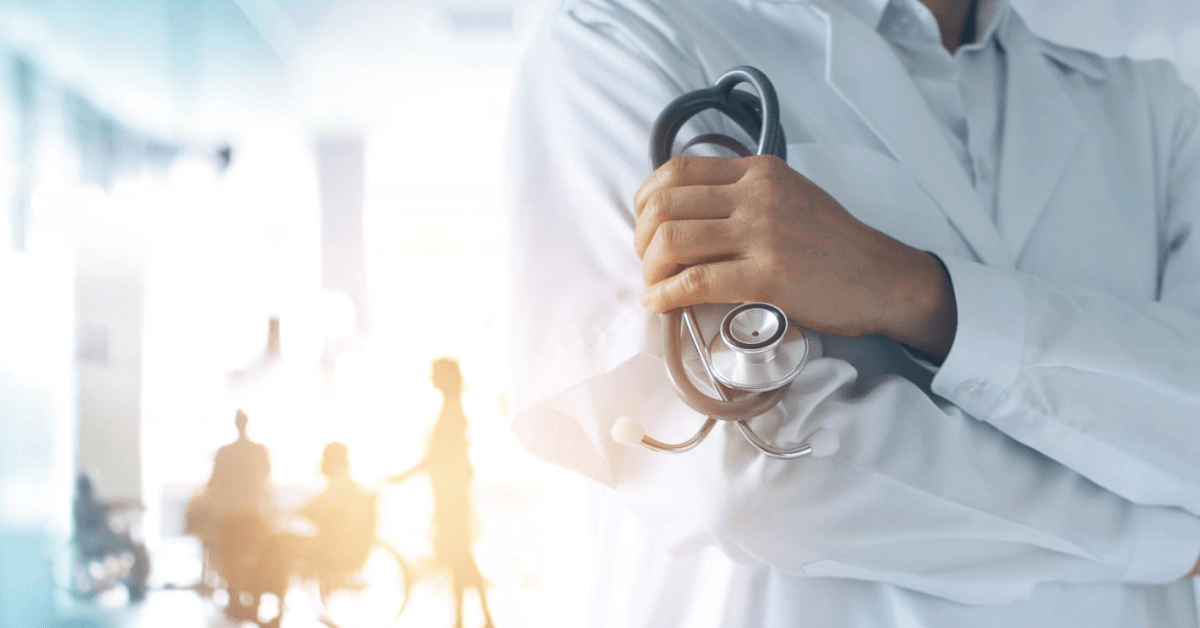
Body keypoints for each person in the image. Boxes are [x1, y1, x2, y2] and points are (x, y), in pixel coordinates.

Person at [504, 0, 1200, 626]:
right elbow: (745, 480)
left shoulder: (1157, 109)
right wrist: (1172, 536)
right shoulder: (621, 37)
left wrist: (916, 292)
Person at [390, 358, 494, 628]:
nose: (430, 378)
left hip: (451, 498)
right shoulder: (453, 409)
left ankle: (481, 617)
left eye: (434, 374)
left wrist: (404, 476)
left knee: (460, 556)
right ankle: (464, 618)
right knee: (458, 557)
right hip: (450, 496)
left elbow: (438, 456)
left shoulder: (451, 412)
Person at [198, 409, 273, 618]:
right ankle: (253, 601)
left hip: (231, 515)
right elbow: (266, 480)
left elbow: (213, 484)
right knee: (253, 559)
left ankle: (236, 601)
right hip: (252, 514)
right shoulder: (259, 451)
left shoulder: (225, 452)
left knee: (232, 559)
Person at [291, 442, 377, 578]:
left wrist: (296, 512)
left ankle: (274, 591)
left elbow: (316, 509)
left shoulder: (339, 485)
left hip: (336, 551)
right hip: (353, 550)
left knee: (280, 544)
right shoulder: (350, 485)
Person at [72, 472, 150, 600]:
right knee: (137, 548)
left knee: (132, 543)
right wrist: (132, 502)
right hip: (99, 545)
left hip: (99, 543)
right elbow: (111, 505)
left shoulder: (81, 505)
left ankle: (136, 584)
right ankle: (137, 586)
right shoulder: (87, 505)